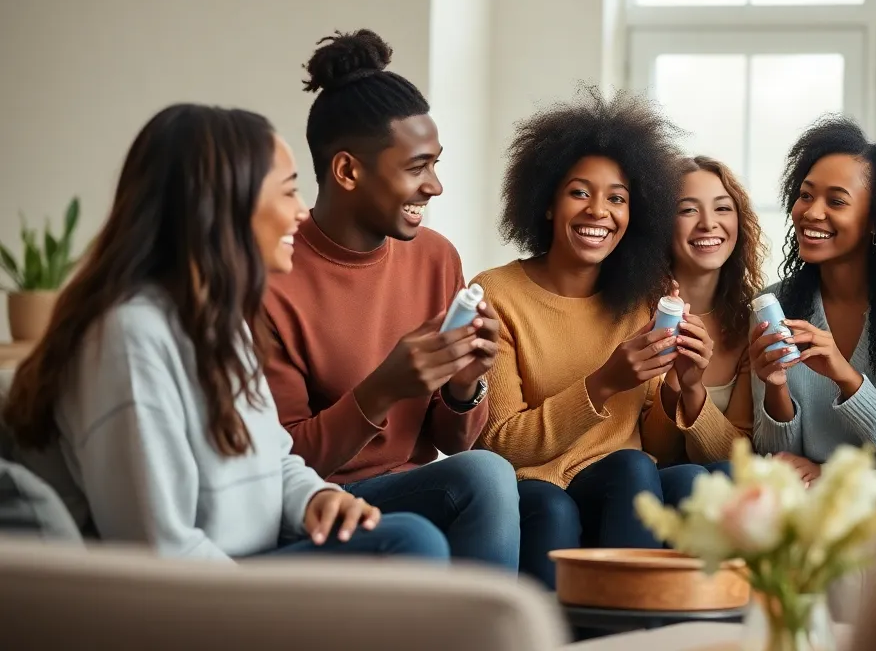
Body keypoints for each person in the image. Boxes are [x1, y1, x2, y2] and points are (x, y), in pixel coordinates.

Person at [2, 104, 447, 561]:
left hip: (254, 556)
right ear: (223, 205)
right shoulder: (129, 338)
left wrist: (316, 499)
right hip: (199, 594)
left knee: (428, 520)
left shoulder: (218, 319)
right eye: (288, 192)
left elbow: (274, 456)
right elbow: (159, 550)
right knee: (409, 542)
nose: (300, 212)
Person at [261, 30, 518, 570]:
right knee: (460, 502)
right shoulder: (274, 277)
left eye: (435, 163)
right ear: (348, 171)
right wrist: (381, 390)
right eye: (417, 167)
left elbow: (456, 444)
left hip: (411, 488)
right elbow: (277, 462)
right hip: (316, 505)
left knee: (492, 475)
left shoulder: (436, 258)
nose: (436, 186)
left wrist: (464, 384)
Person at [474, 88, 708, 589]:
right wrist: (602, 384)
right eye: (580, 192)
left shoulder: (640, 300)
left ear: (634, 215)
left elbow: (657, 444)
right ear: (546, 203)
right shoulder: (495, 294)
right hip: (534, 481)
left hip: (620, 479)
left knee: (681, 479)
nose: (598, 211)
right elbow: (498, 443)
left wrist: (681, 387)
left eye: (617, 198)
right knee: (584, 493)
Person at [749, 117, 876, 487]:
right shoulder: (772, 304)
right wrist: (775, 385)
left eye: (836, 201)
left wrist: (845, 375)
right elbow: (772, 453)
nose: (811, 212)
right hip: (803, 496)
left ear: (875, 220)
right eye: (806, 195)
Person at [646, 156, 765, 467]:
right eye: (688, 210)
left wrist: (692, 386)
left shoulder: (748, 323)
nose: (708, 223)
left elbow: (733, 458)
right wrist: (672, 375)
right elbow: (654, 453)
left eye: (722, 208)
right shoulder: (633, 314)